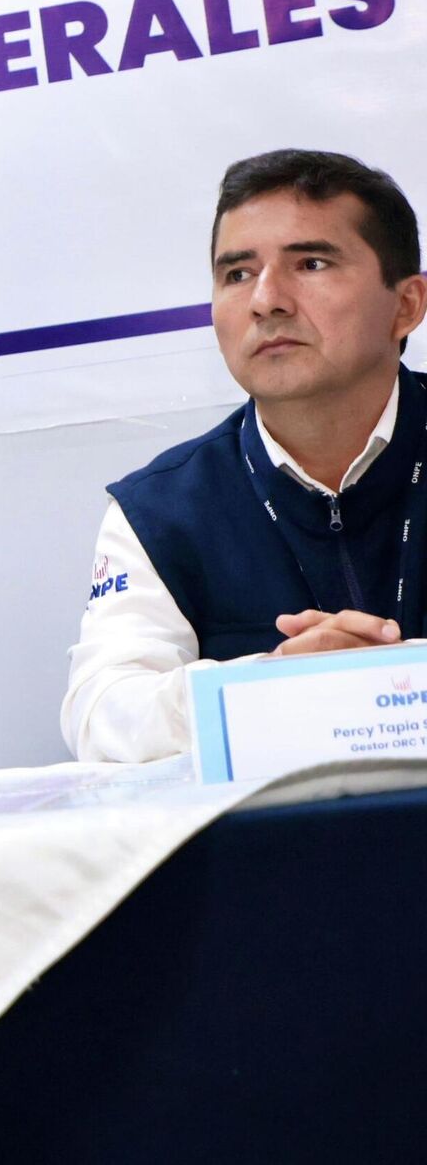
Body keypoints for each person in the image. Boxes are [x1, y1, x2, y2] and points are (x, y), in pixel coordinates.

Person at [64, 149, 427, 762]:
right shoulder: (163, 507)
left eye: (310, 263)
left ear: (407, 305)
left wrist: (382, 687)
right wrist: (268, 687)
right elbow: (102, 713)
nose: (266, 300)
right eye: (237, 274)